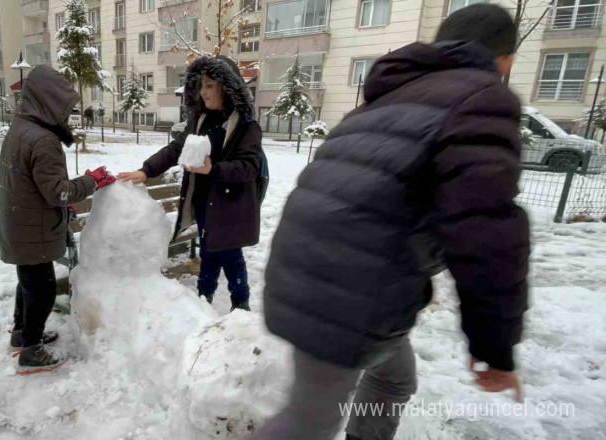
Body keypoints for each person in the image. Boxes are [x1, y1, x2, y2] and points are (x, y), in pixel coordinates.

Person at [253, 5, 529, 440]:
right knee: (309, 421)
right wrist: (494, 347)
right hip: (348, 292)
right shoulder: (480, 99)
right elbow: (485, 233)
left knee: (392, 379)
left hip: (325, 273)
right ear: (505, 60)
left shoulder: (386, 99)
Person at [118, 56, 266, 312]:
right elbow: (177, 148)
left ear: (226, 87)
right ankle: (203, 300)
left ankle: (240, 303)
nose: (203, 92)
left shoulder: (245, 125)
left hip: (232, 205)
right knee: (208, 251)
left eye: (209, 85)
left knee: (231, 256)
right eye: (200, 85)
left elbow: (250, 167)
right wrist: (146, 170)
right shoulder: (200, 120)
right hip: (205, 202)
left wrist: (214, 169)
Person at [0, 65, 115, 369]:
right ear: (48, 103)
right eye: (64, 108)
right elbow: (58, 192)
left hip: (20, 223)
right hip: (33, 228)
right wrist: (92, 180)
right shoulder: (43, 140)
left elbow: (35, 185)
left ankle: (23, 334)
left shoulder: (21, 129)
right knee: (43, 288)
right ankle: (31, 351)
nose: (67, 115)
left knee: (28, 283)